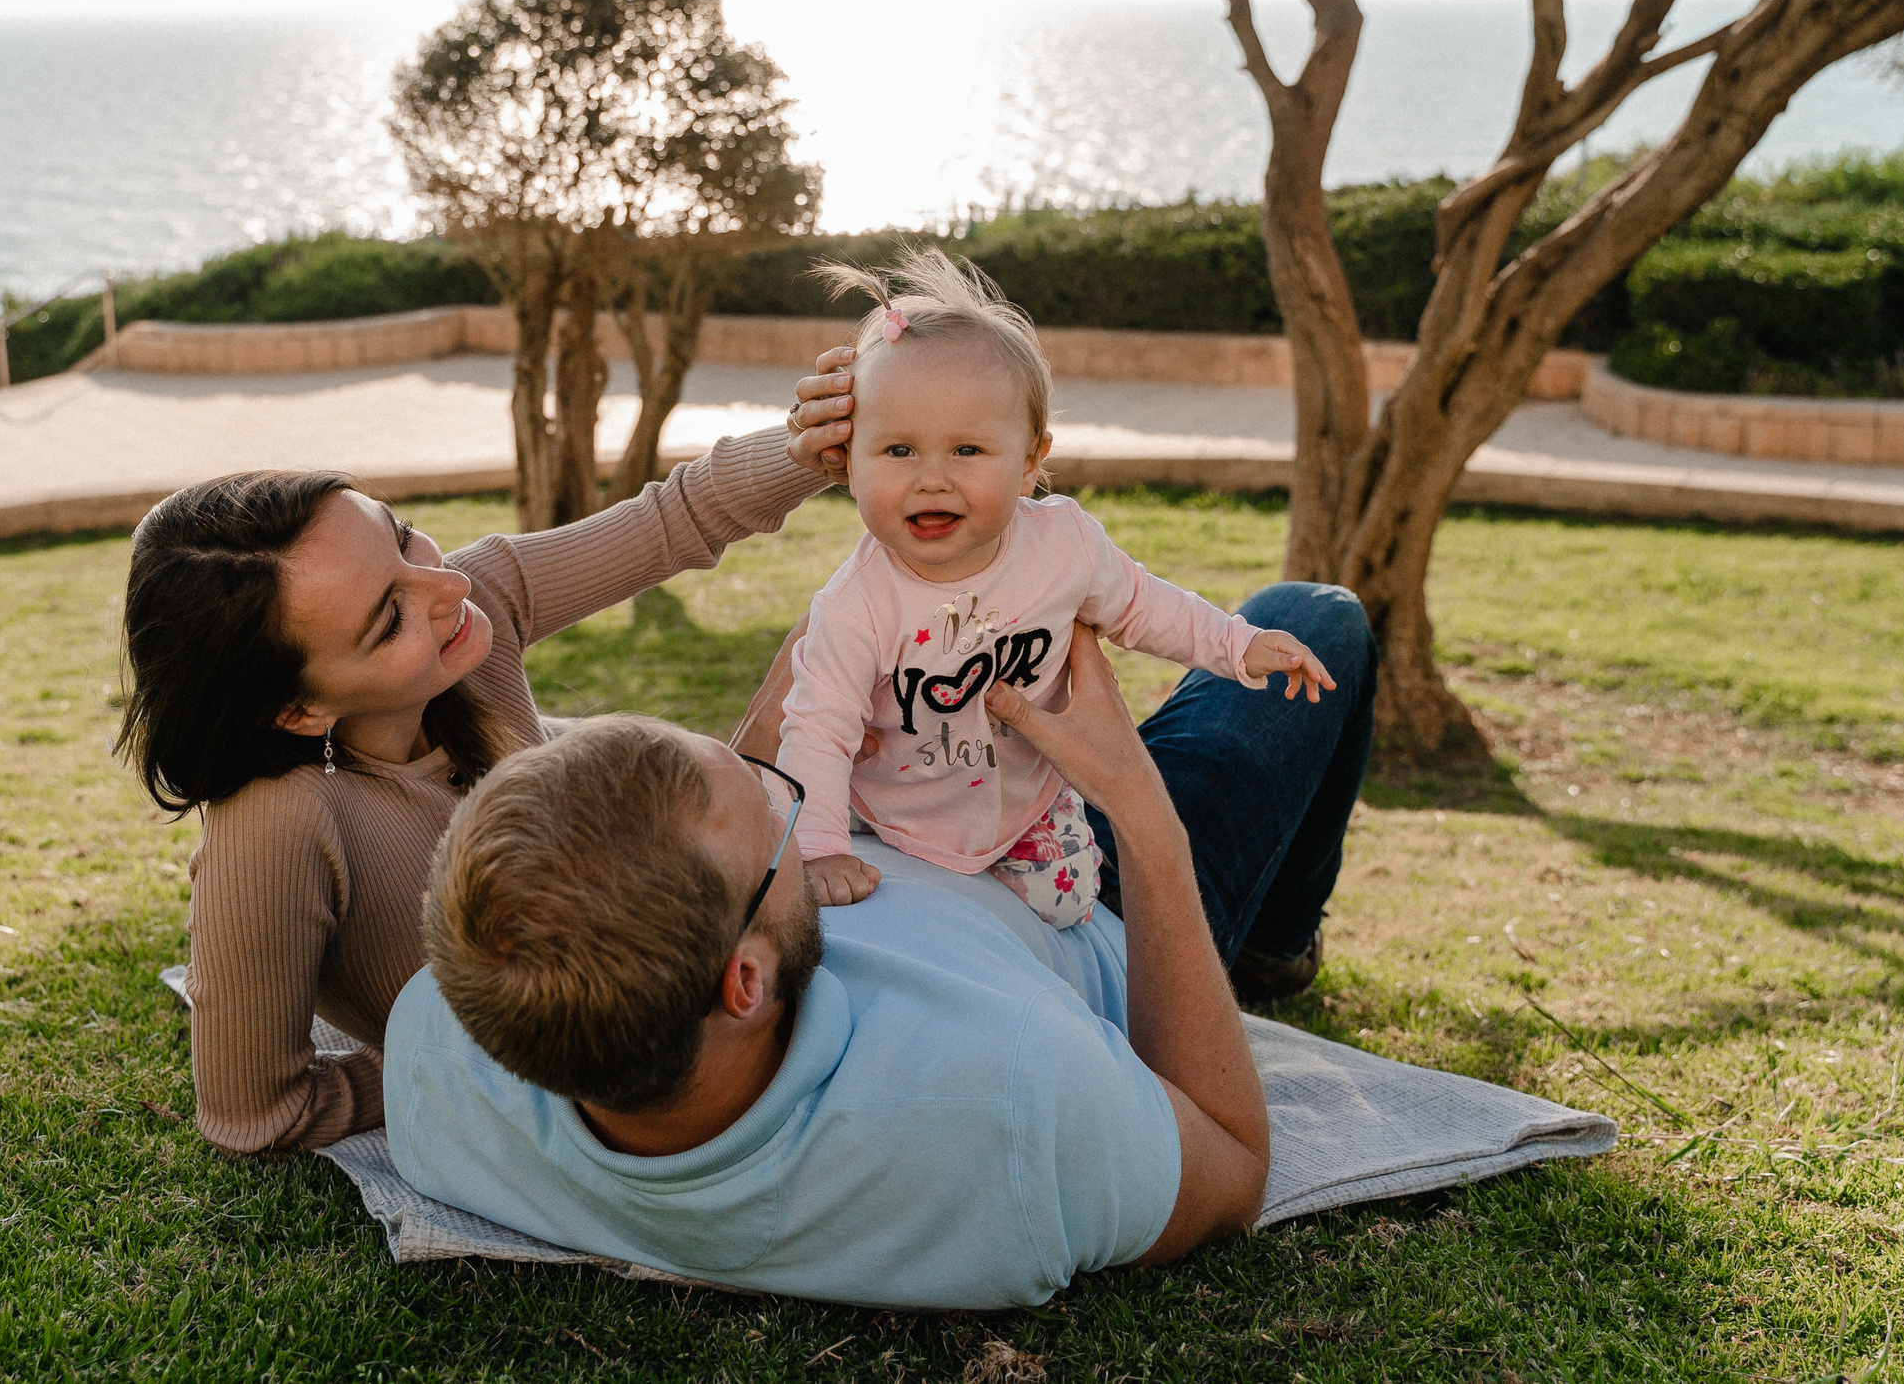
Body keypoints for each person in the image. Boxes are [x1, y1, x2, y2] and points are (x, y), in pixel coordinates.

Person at [387, 615, 1370, 1308]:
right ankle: (1273, 947)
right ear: (744, 983)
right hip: (1083, 895)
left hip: (910, 831)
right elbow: (1235, 1167)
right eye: (780, 823)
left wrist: (773, 741)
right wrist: (1139, 807)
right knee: (1312, 624)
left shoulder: (443, 1026)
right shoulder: (1016, 1100)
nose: (797, 812)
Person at [119, 404, 847, 1156]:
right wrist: (448, 1056)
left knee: (840, 652)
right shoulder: (275, 825)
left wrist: (817, 442)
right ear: (298, 708)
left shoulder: (467, 607)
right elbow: (255, 1116)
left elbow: (674, 517)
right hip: (647, 1023)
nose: (445, 583)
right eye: (389, 618)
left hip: (659, 879)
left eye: (401, 535)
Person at [775, 247, 1335, 931]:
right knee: (875, 907)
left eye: (968, 450)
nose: (932, 477)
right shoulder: (856, 602)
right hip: (888, 813)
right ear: (848, 463)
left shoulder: (1062, 545)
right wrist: (821, 850)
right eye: (898, 451)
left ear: (1031, 461)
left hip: (1030, 804)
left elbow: (1145, 606)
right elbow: (819, 731)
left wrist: (1238, 643)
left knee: (1069, 905)